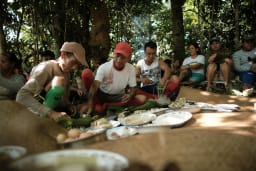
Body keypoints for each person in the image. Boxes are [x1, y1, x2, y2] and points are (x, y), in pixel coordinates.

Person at [16, 42, 88, 120]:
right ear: (63, 56)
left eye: (78, 65)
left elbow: (62, 99)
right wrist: (50, 113)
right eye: (73, 63)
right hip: (36, 116)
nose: (75, 68)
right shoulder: (45, 68)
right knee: (58, 80)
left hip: (54, 114)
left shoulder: (66, 72)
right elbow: (21, 96)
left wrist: (68, 105)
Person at [79, 42, 147, 115]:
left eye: (123, 57)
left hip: (118, 96)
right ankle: (106, 107)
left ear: (128, 57)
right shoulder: (104, 67)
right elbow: (94, 86)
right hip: (102, 95)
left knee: (142, 98)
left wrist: (130, 95)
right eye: (117, 56)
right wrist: (90, 102)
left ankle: (107, 107)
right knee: (86, 73)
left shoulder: (130, 69)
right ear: (114, 54)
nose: (118, 60)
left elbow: (133, 88)